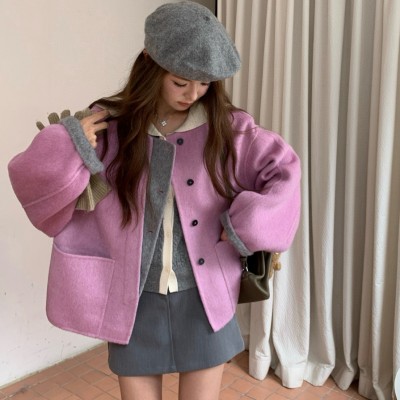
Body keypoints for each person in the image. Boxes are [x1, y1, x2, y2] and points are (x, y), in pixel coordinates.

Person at [8, 2, 301, 399]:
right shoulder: (111, 125)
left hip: (204, 297)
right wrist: (69, 142)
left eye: (204, 83)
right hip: (134, 302)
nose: (193, 94)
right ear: (150, 61)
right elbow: (31, 183)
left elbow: (284, 172)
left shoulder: (228, 129)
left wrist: (245, 225)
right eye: (181, 82)